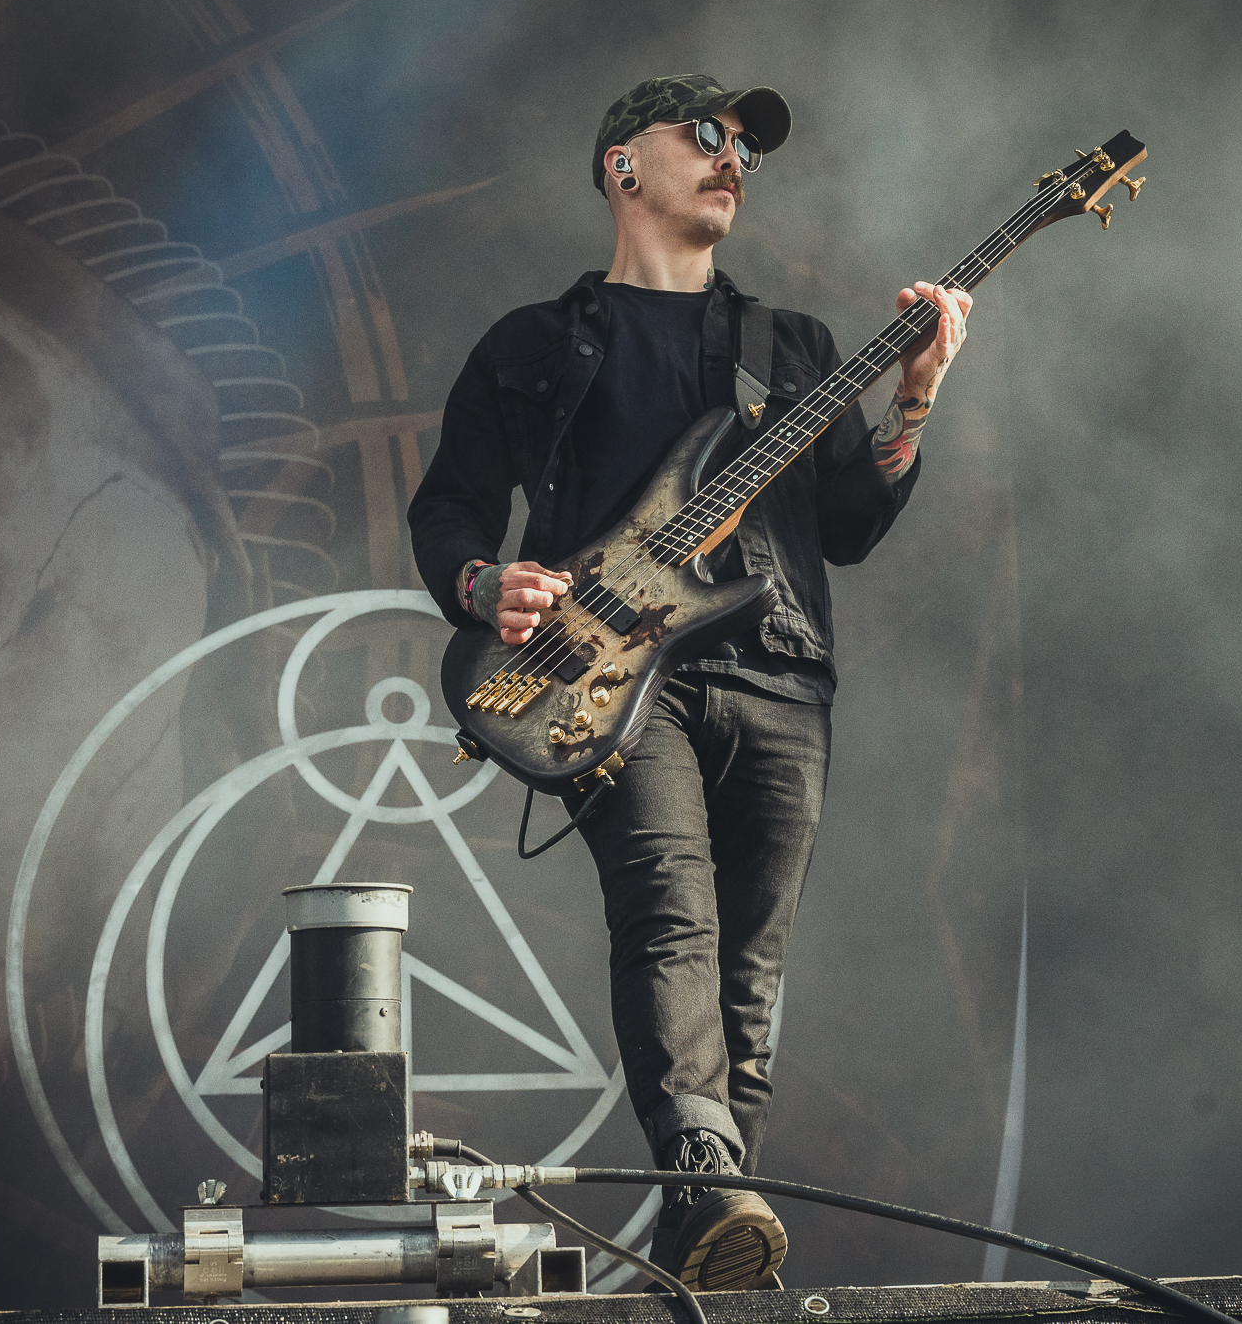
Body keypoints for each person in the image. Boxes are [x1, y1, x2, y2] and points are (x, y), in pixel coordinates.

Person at [408, 74, 971, 1291]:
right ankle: (708, 1171)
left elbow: (851, 524)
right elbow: (448, 505)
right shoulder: (533, 344)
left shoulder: (791, 349)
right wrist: (482, 584)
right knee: (670, 909)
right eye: (706, 135)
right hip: (605, 673)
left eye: (746, 151)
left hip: (779, 672)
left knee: (749, 972)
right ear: (622, 164)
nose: (732, 161)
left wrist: (916, 395)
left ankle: (706, 1240)